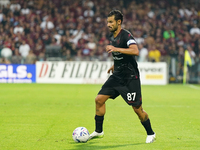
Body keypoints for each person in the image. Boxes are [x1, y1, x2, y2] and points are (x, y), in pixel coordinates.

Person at [89, 10, 156, 143]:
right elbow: (119, 55)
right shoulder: (112, 37)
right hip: (117, 75)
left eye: (111, 22)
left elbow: (135, 51)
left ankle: (151, 133)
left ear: (118, 22)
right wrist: (115, 65)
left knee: (137, 109)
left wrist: (116, 49)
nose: (108, 24)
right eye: (107, 22)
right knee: (99, 99)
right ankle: (98, 131)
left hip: (130, 78)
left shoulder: (126, 35)